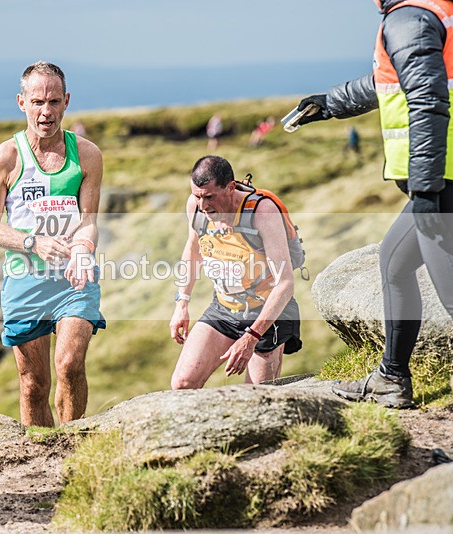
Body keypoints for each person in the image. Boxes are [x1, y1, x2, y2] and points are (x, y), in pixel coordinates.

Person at [290, 0, 453, 409]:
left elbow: (427, 99)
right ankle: (391, 377)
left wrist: (426, 190)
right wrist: (331, 103)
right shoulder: (431, 12)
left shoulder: (409, 17)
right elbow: (391, 79)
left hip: (441, 182)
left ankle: (392, 378)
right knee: (394, 263)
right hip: (442, 178)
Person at [0, 61, 105, 427]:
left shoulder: (87, 155)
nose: (45, 112)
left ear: (66, 101)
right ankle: (40, 456)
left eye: (53, 101)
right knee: (34, 385)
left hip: (73, 279)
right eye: (37, 102)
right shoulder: (6, 157)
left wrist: (82, 250)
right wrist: (33, 243)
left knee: (70, 364)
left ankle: (73, 445)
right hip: (25, 280)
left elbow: (89, 221)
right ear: (22, 103)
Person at [169, 156, 301, 389]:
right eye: (197, 196)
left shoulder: (262, 212)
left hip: (268, 314)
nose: (203, 206)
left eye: (209, 197)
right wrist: (182, 302)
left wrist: (251, 337)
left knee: (258, 396)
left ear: (230, 188)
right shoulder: (196, 207)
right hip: (224, 308)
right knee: (182, 384)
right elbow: (193, 249)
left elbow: (285, 284)